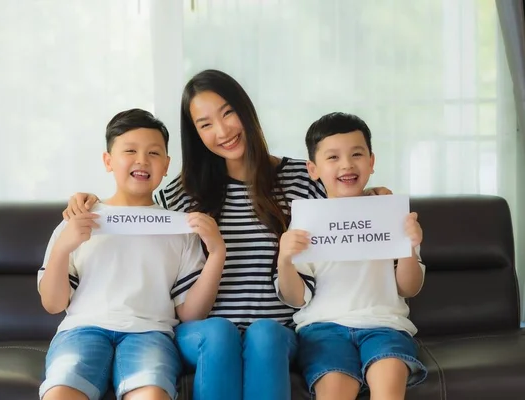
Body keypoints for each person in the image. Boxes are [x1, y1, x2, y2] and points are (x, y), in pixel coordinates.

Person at [63, 70, 391, 400]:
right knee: (219, 332)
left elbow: (344, 203)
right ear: (195, 134)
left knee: (265, 334)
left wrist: (374, 198)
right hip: (204, 333)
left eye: (228, 113)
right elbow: (133, 214)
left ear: (245, 110)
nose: (222, 131)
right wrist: (88, 201)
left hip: (279, 331)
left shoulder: (301, 180)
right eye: (205, 124)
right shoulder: (179, 194)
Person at [38, 108, 226, 400]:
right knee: (60, 393)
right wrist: (64, 246)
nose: (142, 160)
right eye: (130, 150)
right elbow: (53, 303)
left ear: (166, 165)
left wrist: (216, 253)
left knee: (152, 395)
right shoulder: (78, 218)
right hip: (81, 330)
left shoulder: (180, 227)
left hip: (150, 333)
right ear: (108, 161)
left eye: (153, 153)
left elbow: (190, 313)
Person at [276, 112, 427, 400]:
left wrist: (409, 248)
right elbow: (296, 298)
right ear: (313, 168)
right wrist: (285, 260)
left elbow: (409, 288)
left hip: (385, 326)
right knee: (334, 390)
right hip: (323, 330)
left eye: (356, 154)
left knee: (389, 384)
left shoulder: (392, 214)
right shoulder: (306, 222)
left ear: (371, 161)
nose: (346, 164)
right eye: (333, 157)